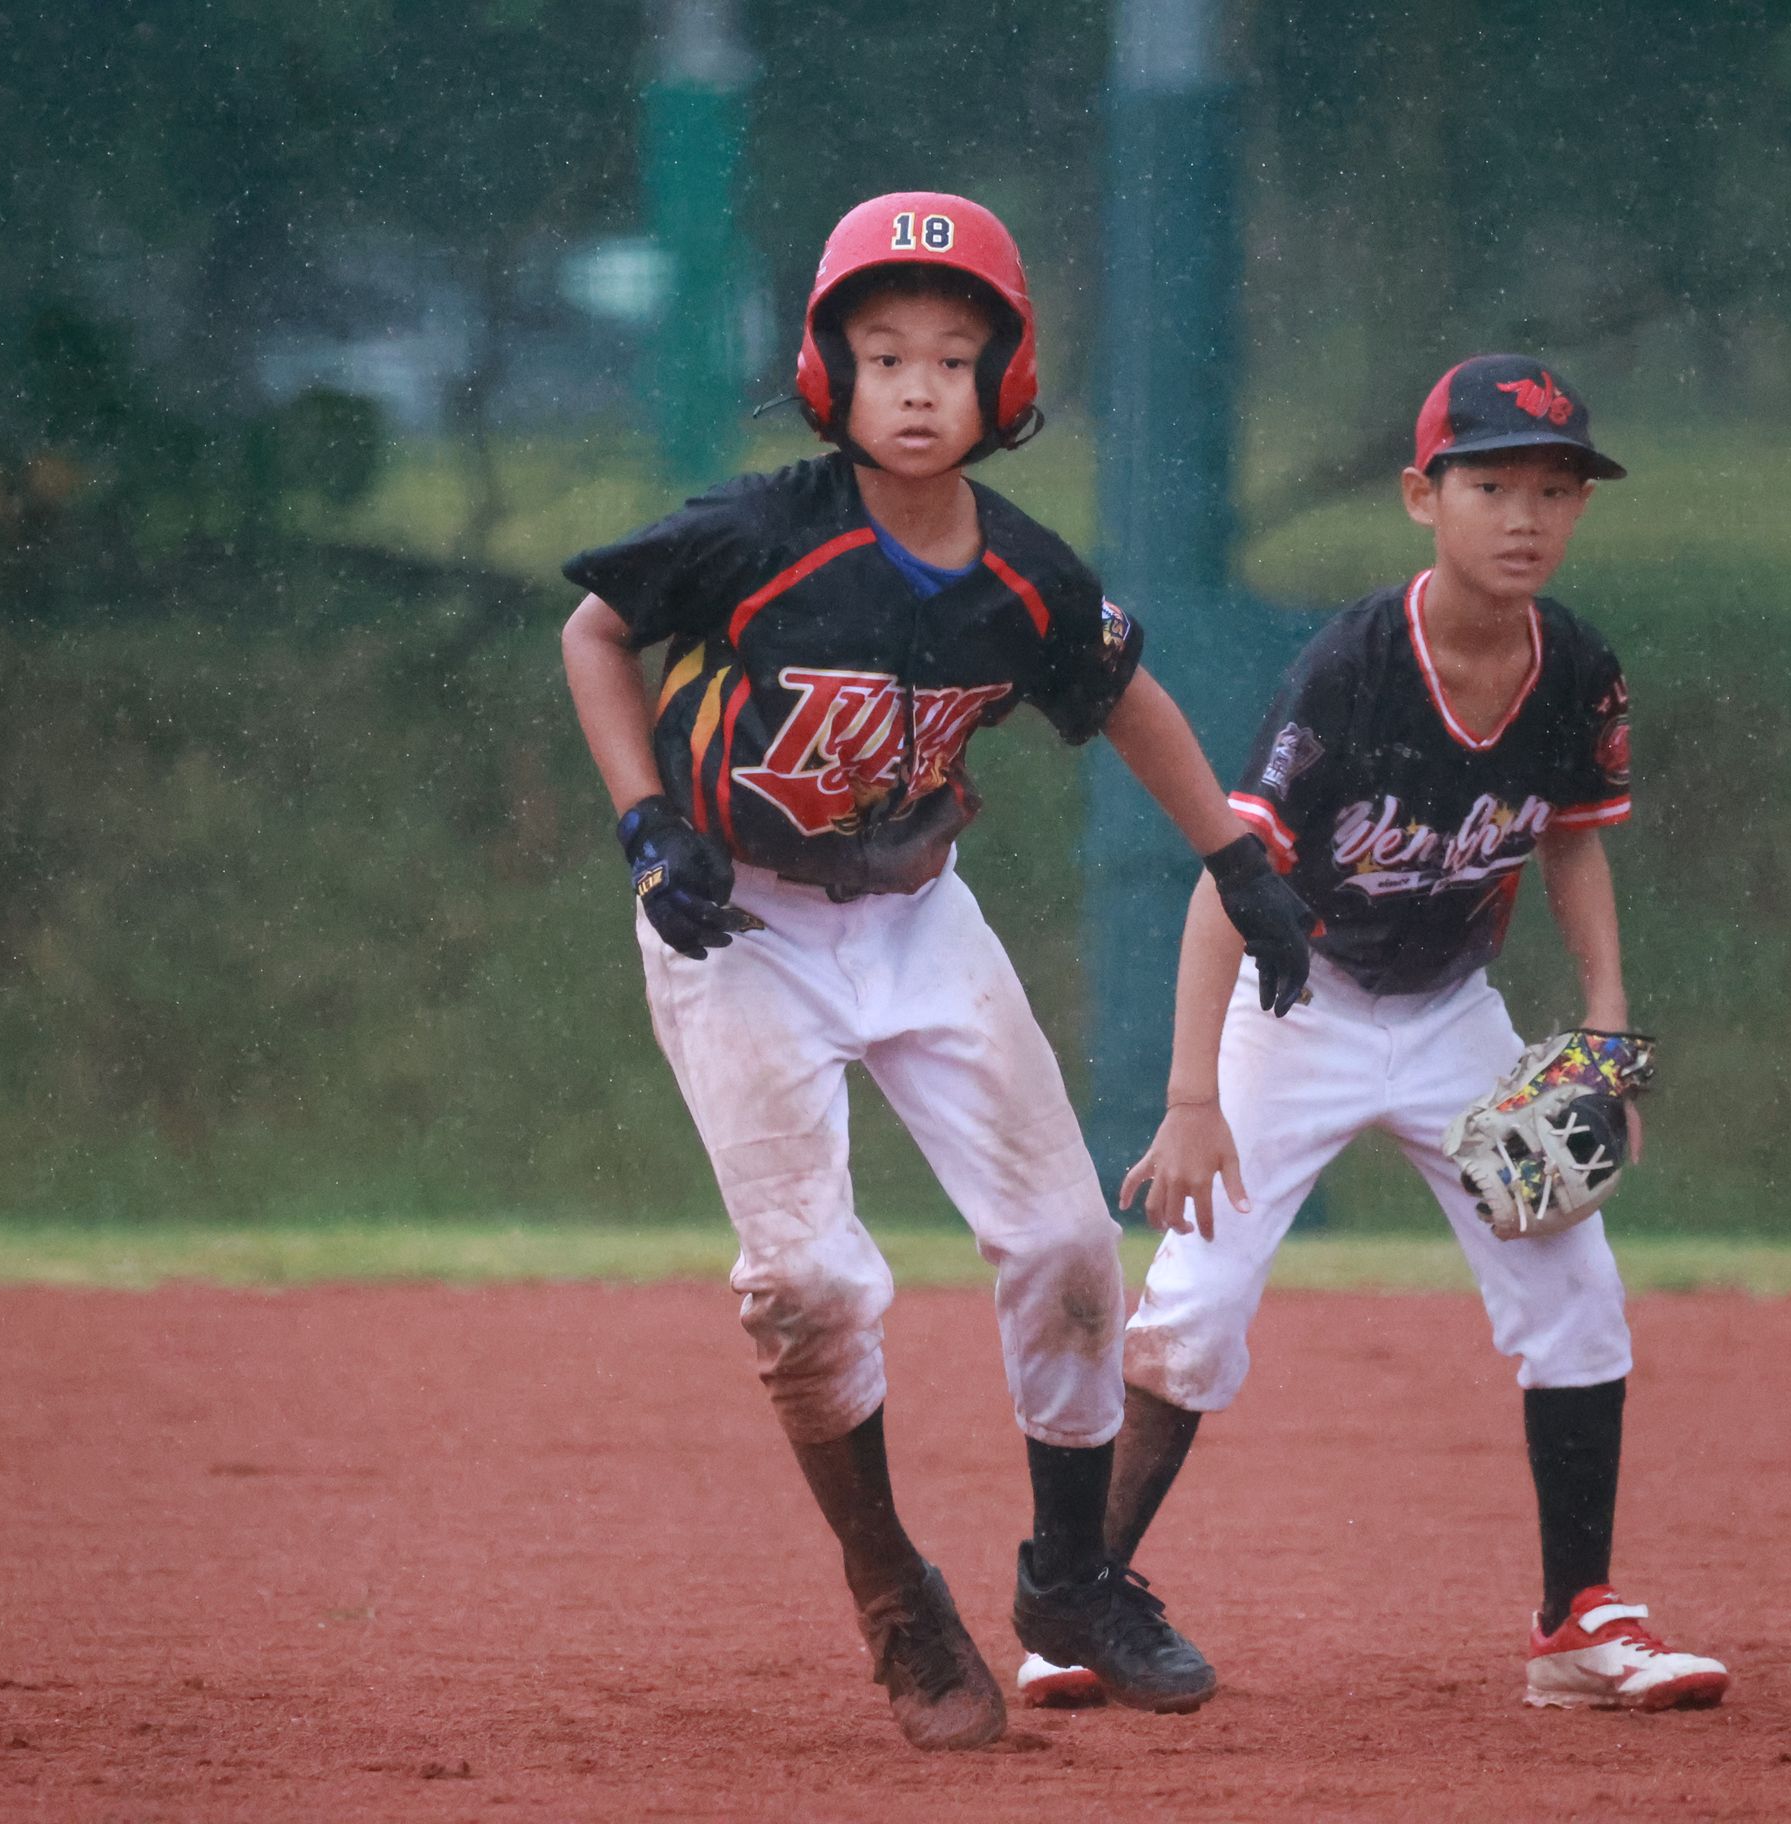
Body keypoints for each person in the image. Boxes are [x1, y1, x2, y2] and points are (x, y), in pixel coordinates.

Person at [557, 191, 1316, 1750]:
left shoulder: (1022, 576)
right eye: (883, 351)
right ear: (828, 372)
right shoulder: (760, 531)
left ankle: (1071, 1575)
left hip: (914, 918)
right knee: (811, 1285)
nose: (916, 385)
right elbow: (593, 632)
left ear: (1004, 387)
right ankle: (893, 1585)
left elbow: (1126, 698)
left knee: (1065, 1249)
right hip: (739, 925)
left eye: (953, 358)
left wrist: (1235, 858)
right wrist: (646, 827)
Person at [1015, 355, 1730, 1715]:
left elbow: (1575, 843)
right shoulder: (1351, 669)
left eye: (1555, 488)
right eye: (1492, 483)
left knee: (1574, 1293)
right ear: (1424, 496)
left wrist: (1606, 1037)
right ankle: (1071, 1609)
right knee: (1191, 1317)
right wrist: (1189, 1097)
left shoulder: (1574, 666)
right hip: (1297, 1013)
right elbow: (1230, 885)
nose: (1525, 514)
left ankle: (1578, 1624)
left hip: (1458, 1019)